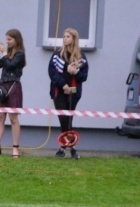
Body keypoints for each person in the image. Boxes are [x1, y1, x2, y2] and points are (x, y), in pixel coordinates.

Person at [48, 28, 89, 160]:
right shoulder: (57, 55)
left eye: (68, 37)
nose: (65, 38)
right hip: (59, 91)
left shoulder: (81, 57)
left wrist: (76, 72)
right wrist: (63, 85)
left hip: (73, 93)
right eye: (64, 36)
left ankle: (63, 148)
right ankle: (72, 148)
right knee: (63, 118)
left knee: (69, 119)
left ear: (74, 39)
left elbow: (84, 76)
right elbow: (51, 73)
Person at [0, 29, 26, 158]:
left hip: (14, 86)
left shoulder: (20, 54)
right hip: (3, 85)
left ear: (16, 39)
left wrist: (4, 53)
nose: (7, 42)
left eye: (10, 39)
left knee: (13, 118)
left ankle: (15, 148)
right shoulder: (8, 52)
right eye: (6, 39)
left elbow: (11, 65)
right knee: (0, 116)